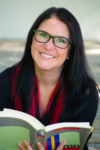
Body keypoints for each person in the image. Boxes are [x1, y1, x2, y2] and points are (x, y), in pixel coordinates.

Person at [0, 7, 99, 150]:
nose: (48, 46)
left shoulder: (86, 92)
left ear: (70, 52)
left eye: (60, 40)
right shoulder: (5, 82)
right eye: (43, 35)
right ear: (31, 41)